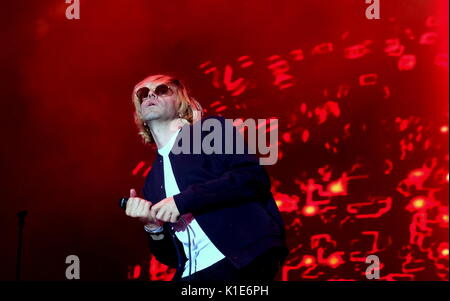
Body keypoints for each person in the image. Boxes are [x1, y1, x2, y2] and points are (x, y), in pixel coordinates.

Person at [125, 74, 289, 281]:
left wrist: (181, 201)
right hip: (192, 274)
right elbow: (170, 256)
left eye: (162, 90)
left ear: (180, 102)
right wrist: (153, 226)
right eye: (142, 93)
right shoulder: (151, 181)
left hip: (239, 259)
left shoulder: (208, 131)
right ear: (139, 110)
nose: (150, 94)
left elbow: (251, 177)